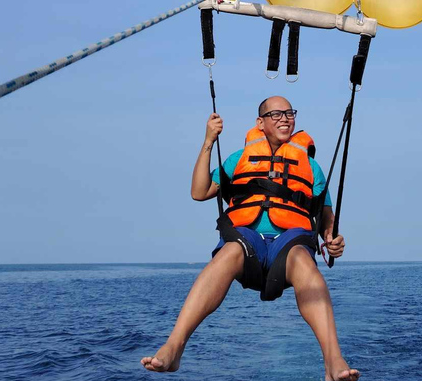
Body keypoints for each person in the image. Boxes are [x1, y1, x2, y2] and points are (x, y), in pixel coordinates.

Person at [141, 96, 359, 381]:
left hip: (289, 242)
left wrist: (332, 240)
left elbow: (326, 219)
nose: (284, 118)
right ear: (260, 122)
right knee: (229, 252)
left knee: (305, 263)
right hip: (247, 239)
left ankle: (333, 361)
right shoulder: (239, 159)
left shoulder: (311, 167)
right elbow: (199, 191)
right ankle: (175, 346)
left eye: (289, 113)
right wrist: (208, 141)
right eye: (276, 114)